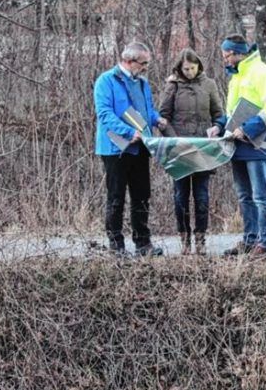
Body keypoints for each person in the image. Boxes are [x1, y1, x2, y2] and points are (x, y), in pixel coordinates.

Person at [210, 34, 266, 258]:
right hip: (237, 144)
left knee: (261, 195)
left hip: (257, 144)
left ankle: (265, 243)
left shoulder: (264, 73)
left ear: (239, 52)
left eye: (228, 55)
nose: (226, 60)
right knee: (244, 196)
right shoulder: (236, 78)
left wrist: (247, 129)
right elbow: (232, 112)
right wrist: (219, 125)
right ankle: (249, 240)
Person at [94, 41, 167, 257]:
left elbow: (147, 111)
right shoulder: (106, 81)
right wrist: (128, 132)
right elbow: (105, 114)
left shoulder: (143, 84)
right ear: (128, 61)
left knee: (142, 195)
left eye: (147, 63)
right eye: (143, 63)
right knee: (116, 197)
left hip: (141, 147)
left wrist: (157, 120)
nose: (145, 67)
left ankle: (143, 243)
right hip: (116, 148)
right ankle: (116, 245)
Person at [159, 49, 222, 255]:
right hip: (179, 149)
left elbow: (218, 114)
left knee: (202, 196)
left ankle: (201, 238)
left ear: (199, 67)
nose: (189, 72)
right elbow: (163, 117)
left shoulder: (209, 84)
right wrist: (174, 140)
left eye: (193, 68)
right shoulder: (172, 86)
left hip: (203, 148)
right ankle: (184, 239)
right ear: (180, 67)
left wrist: (218, 127)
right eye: (186, 69)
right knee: (180, 196)